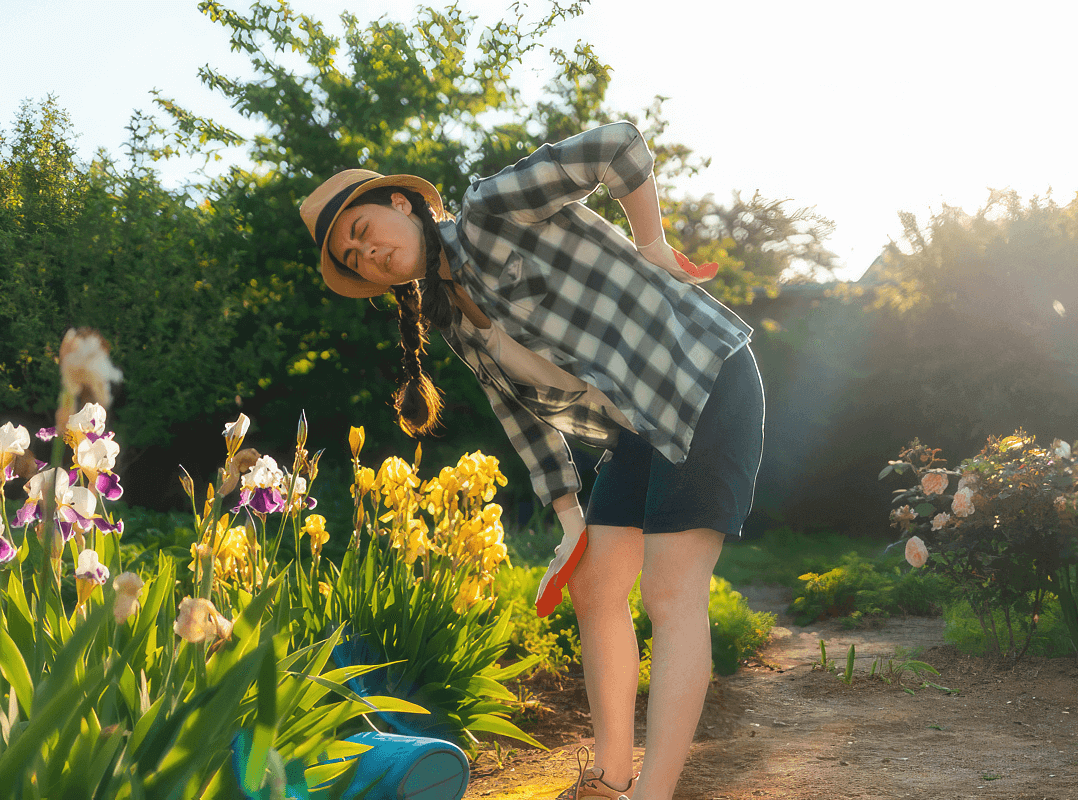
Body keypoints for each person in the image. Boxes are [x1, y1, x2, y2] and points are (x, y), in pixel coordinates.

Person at [299, 122, 765, 800]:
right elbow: (519, 413)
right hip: (635, 426)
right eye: (353, 257)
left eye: (364, 228)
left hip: (700, 375)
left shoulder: (492, 209)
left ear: (401, 204)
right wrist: (570, 517)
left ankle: (654, 793)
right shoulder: (451, 317)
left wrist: (652, 243)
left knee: (671, 592)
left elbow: (618, 146)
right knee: (595, 586)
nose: (366, 251)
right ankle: (609, 779)